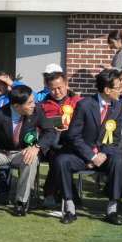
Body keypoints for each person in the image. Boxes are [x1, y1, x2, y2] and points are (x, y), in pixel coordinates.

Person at [0, 85, 57, 216]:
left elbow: (50, 131)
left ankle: (20, 203)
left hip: (23, 151)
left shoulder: (37, 110)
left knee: (31, 161)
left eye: (33, 101)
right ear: (16, 106)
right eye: (30, 103)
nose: (34, 105)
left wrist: (37, 147)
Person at [54, 69, 122, 226]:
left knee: (118, 161)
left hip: (105, 154)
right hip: (82, 154)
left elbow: (116, 138)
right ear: (107, 90)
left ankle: (112, 209)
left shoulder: (117, 106)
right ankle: (69, 208)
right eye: (118, 87)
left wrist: (100, 156)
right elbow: (74, 135)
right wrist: (91, 156)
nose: (121, 91)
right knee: (61, 161)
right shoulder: (84, 105)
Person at [38, 70, 82, 206]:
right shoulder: (42, 106)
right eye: (52, 89)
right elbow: (36, 126)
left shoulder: (78, 103)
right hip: (50, 144)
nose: (56, 92)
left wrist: (71, 129)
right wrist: (48, 129)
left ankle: (51, 194)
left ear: (66, 85)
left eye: (59, 88)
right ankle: (70, 197)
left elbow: (86, 124)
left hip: (74, 142)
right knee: (56, 154)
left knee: (59, 157)